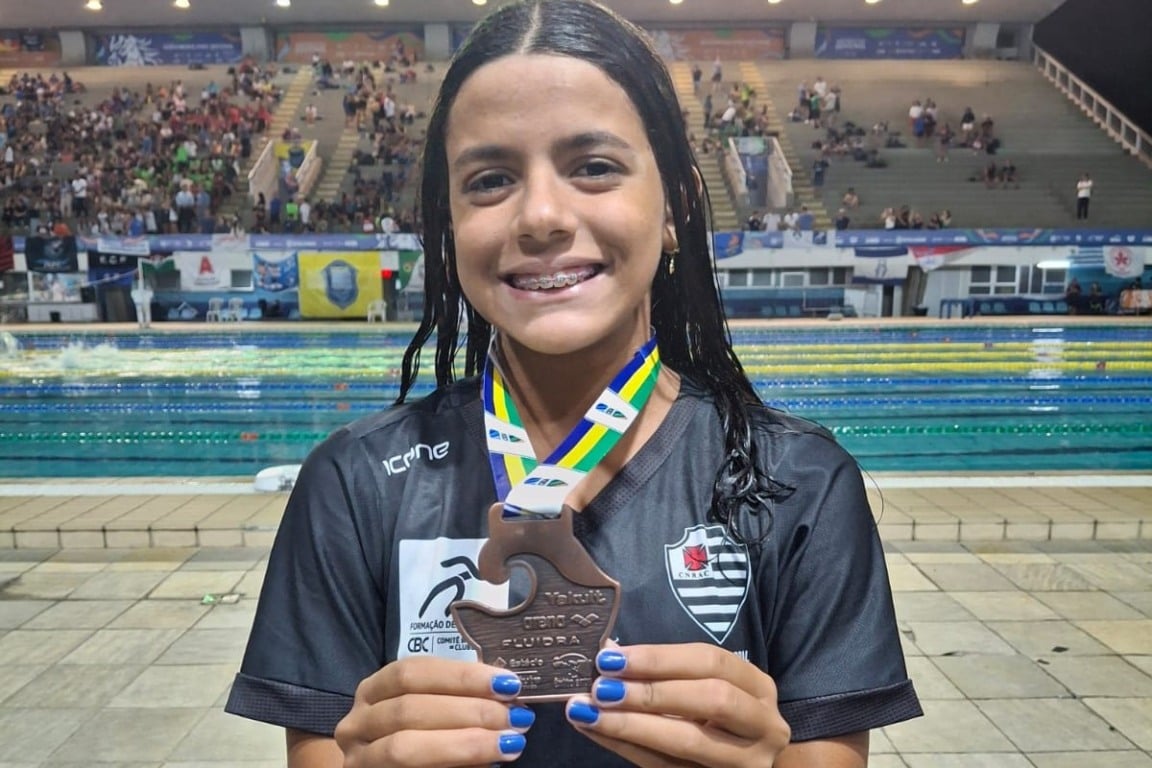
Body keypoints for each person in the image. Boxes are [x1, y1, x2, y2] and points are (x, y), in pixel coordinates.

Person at [225, 2, 921, 767]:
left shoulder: (800, 483)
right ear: (449, 225)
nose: (543, 216)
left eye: (594, 167)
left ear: (677, 208)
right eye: (490, 180)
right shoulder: (354, 484)